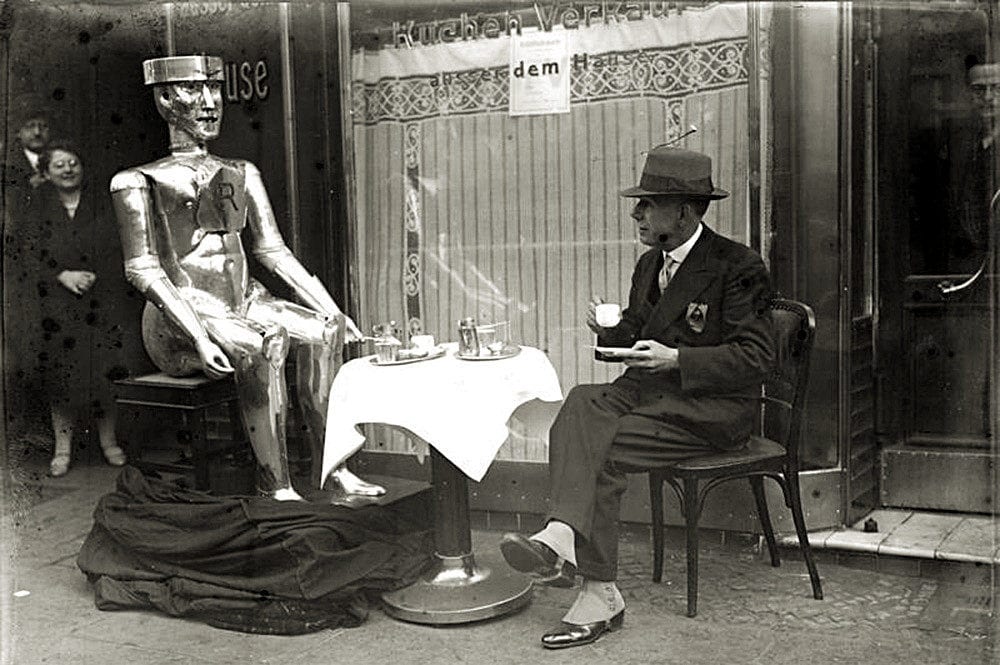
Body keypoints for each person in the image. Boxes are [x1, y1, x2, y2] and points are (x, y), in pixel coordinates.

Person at [498, 146, 775, 649]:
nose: (636, 214)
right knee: (579, 404)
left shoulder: (738, 266)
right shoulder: (651, 265)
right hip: (650, 397)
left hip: (710, 410)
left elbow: (757, 358)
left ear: (685, 212)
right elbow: (639, 333)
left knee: (599, 451)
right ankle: (564, 538)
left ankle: (595, 588)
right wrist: (611, 333)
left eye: (647, 204)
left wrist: (677, 360)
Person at [109, 55, 382, 501]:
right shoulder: (137, 180)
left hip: (240, 299)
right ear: (163, 98)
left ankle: (332, 467)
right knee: (264, 342)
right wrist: (199, 336)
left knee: (323, 332)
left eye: (214, 90)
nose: (210, 102)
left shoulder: (239, 172)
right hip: (181, 311)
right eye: (193, 90)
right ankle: (275, 483)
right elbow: (142, 269)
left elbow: (271, 250)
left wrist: (332, 309)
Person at [31, 141, 129, 476]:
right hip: (58, 309)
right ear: (46, 173)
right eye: (59, 165)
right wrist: (62, 275)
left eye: (73, 162)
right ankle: (62, 450)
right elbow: (27, 256)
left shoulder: (101, 204)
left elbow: (121, 246)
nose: (69, 169)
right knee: (62, 378)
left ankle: (109, 442)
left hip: (102, 302)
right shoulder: (37, 209)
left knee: (104, 374)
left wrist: (95, 275)